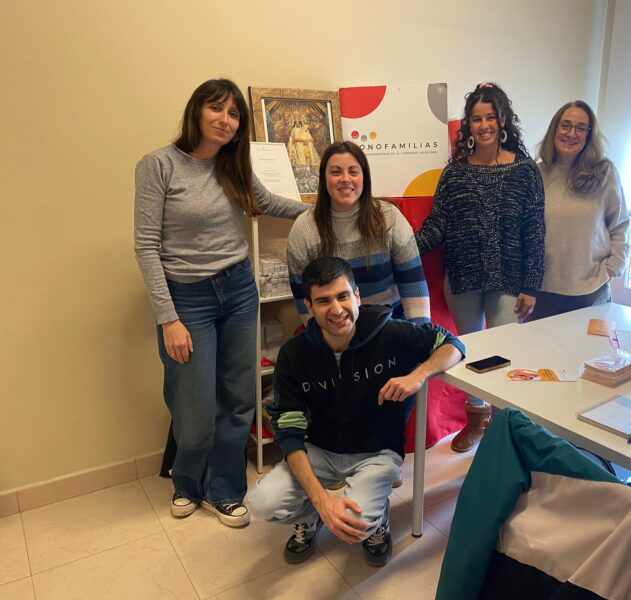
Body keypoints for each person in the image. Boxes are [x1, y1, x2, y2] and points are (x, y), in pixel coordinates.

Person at [134, 78, 307, 527]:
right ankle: (187, 483)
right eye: (217, 109)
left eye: (233, 114)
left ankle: (225, 490)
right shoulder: (158, 165)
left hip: (238, 290)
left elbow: (266, 202)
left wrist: (325, 209)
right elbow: (146, 247)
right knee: (193, 404)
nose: (225, 120)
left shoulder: (233, 166)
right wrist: (168, 318)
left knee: (236, 397)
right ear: (197, 110)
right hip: (186, 299)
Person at [248, 257, 464, 567]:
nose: (337, 310)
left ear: (357, 296)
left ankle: (378, 522)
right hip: (320, 450)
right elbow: (288, 431)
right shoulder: (294, 354)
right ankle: (309, 517)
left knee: (356, 525)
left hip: (377, 452)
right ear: (309, 306)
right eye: (324, 301)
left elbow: (452, 344)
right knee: (263, 503)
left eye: (343, 296)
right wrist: (322, 502)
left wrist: (417, 376)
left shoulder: (391, 334)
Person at [415, 83, 545, 452]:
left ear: (502, 120)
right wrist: (402, 248)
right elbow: (437, 225)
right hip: (463, 277)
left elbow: (535, 229)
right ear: (468, 126)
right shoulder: (455, 172)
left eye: (490, 117)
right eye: (476, 119)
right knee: (469, 353)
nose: (484, 125)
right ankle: (476, 419)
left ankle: (503, 431)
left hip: (509, 279)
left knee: (504, 356)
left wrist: (531, 285)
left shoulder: (525, 171)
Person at [287, 141, 430, 325]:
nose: (345, 179)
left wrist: (420, 334)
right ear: (324, 179)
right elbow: (303, 301)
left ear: (364, 177)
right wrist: (325, 339)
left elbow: (413, 284)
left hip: (391, 325)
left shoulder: (390, 218)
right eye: (336, 172)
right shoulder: (303, 230)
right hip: (335, 330)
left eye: (353, 172)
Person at [530, 100, 630, 320]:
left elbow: (621, 226)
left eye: (581, 128)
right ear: (555, 129)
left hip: (592, 290)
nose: (571, 133)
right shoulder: (536, 174)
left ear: (589, 134)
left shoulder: (605, 173)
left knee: (589, 345)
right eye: (565, 125)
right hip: (543, 291)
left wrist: (613, 267)